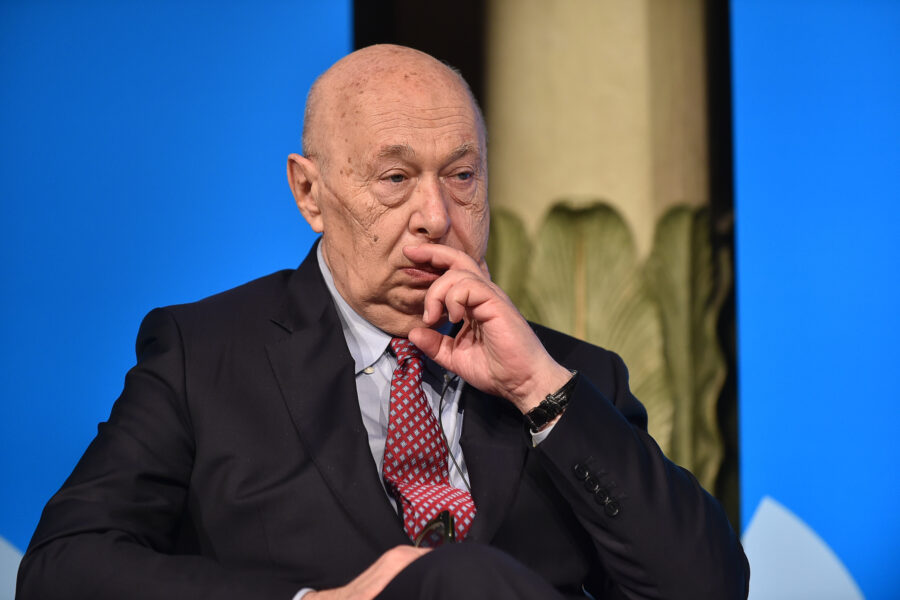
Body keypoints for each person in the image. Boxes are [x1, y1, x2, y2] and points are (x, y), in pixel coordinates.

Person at [17, 44, 749, 599]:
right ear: (309, 192)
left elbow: (708, 588)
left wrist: (540, 394)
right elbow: (62, 568)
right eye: (395, 179)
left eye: (462, 177)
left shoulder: (570, 379)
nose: (435, 217)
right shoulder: (204, 357)